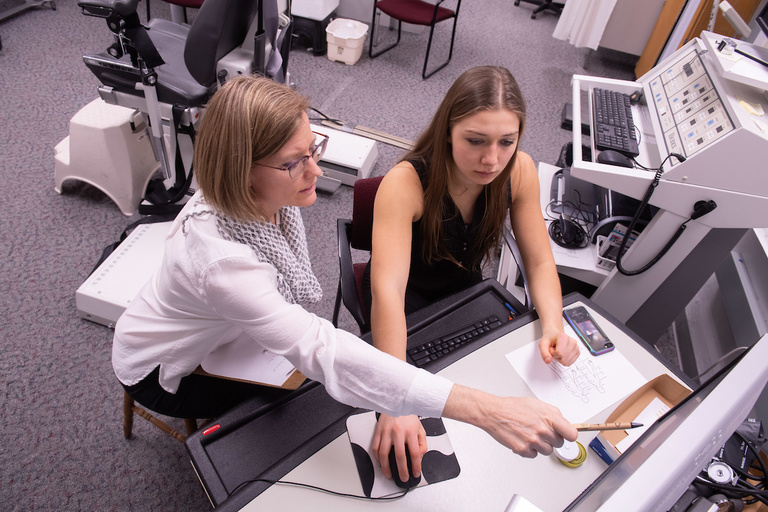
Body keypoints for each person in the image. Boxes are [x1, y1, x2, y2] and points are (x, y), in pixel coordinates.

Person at [112, 75, 577, 483]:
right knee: (306, 407)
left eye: (313, 148)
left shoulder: (246, 204)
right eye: (294, 162)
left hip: (228, 334)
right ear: (242, 171)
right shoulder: (222, 263)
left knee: (339, 388)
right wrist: (487, 411)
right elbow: (324, 347)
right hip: (164, 369)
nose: (316, 169)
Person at [363, 66, 582, 481]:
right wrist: (397, 399)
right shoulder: (405, 183)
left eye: (506, 142)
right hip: (407, 309)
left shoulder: (518, 171)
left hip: (467, 298)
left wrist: (553, 323)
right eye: (475, 141)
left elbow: (538, 260)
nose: (491, 159)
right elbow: (387, 290)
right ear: (448, 130)